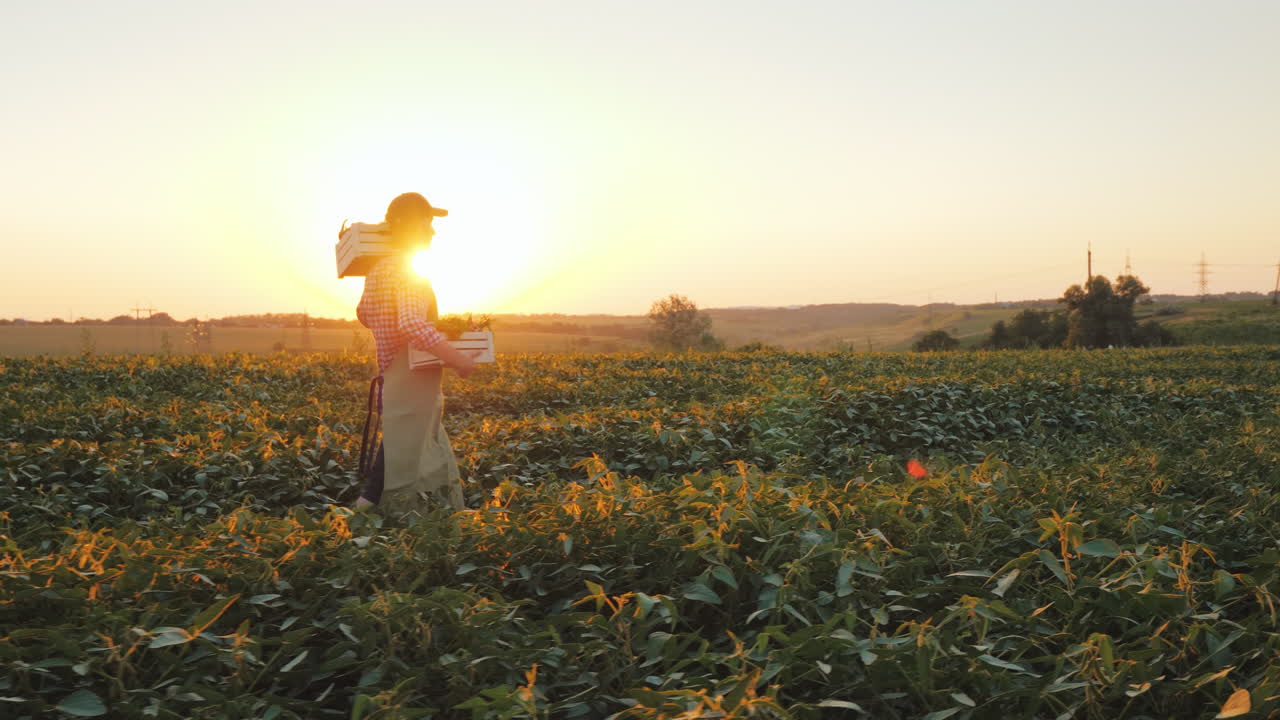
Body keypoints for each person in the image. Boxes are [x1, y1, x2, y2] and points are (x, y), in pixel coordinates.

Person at [353, 192, 477, 518]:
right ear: (410, 225)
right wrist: (457, 357)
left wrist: (386, 329)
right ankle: (401, 528)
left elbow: (363, 313)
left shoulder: (378, 270)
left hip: (390, 376)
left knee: (396, 451)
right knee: (408, 460)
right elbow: (411, 323)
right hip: (409, 379)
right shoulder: (407, 272)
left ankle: (361, 515)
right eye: (427, 223)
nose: (433, 231)